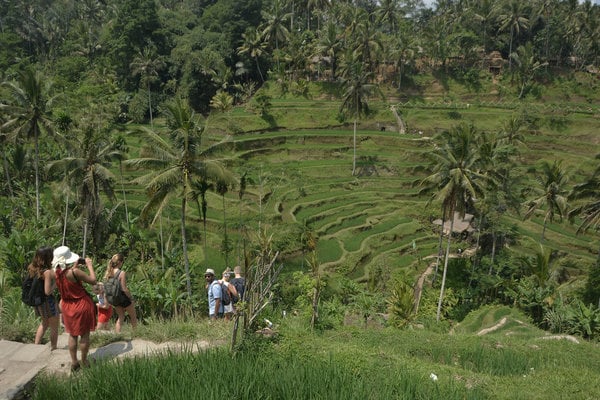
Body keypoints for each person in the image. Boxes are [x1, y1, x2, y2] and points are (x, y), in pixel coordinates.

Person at [51, 246, 97, 371]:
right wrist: (89, 265)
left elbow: (66, 276)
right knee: (84, 334)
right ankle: (84, 360)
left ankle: (74, 362)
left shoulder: (55, 272)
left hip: (67, 306)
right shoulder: (74, 272)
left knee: (72, 335)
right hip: (80, 305)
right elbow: (93, 280)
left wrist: (75, 265)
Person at [28, 247, 59, 350]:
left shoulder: (32, 268)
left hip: (38, 301)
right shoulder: (47, 272)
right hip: (47, 301)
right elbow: (47, 291)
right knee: (54, 325)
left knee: (44, 323)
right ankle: (53, 348)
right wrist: (56, 284)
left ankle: (36, 347)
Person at [104, 253, 137, 333]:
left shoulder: (108, 273)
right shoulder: (121, 273)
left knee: (121, 316)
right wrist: (131, 298)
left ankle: (117, 335)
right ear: (120, 262)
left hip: (114, 299)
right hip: (123, 298)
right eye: (122, 262)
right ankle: (135, 334)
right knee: (133, 316)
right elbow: (124, 288)